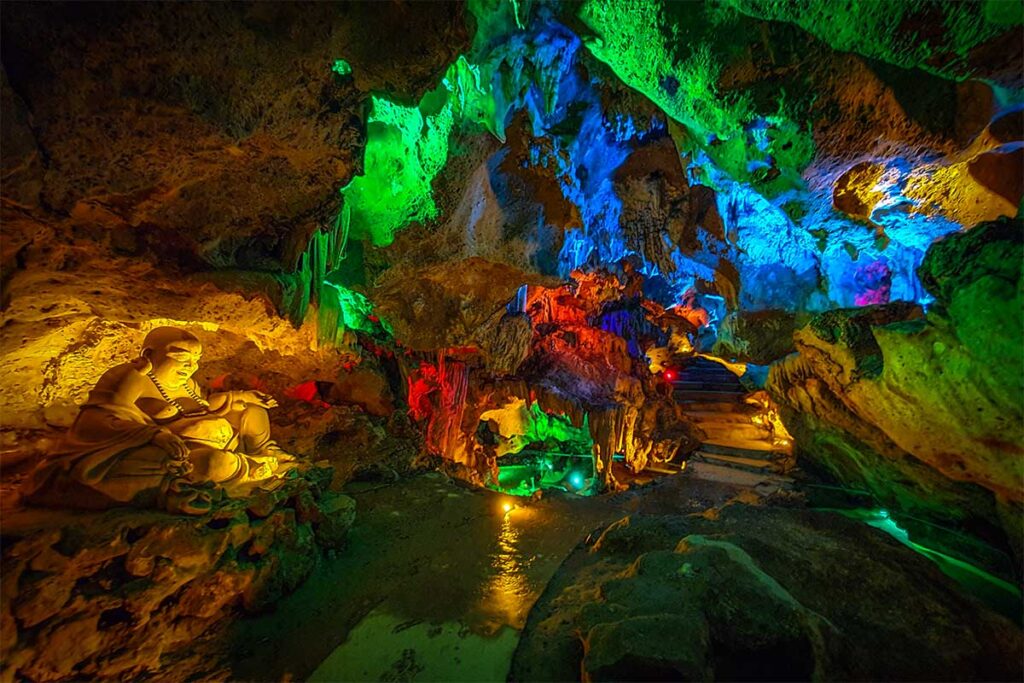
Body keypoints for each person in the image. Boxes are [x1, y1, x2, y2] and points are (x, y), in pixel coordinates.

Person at [21, 327, 295, 514]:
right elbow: (101, 418)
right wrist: (154, 435)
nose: (191, 366)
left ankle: (262, 452)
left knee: (252, 410)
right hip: (177, 450)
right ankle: (246, 467)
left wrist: (240, 396)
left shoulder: (187, 383)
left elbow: (200, 406)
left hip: (213, 437)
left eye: (196, 360)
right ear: (148, 355)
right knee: (213, 463)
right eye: (180, 357)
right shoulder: (132, 377)